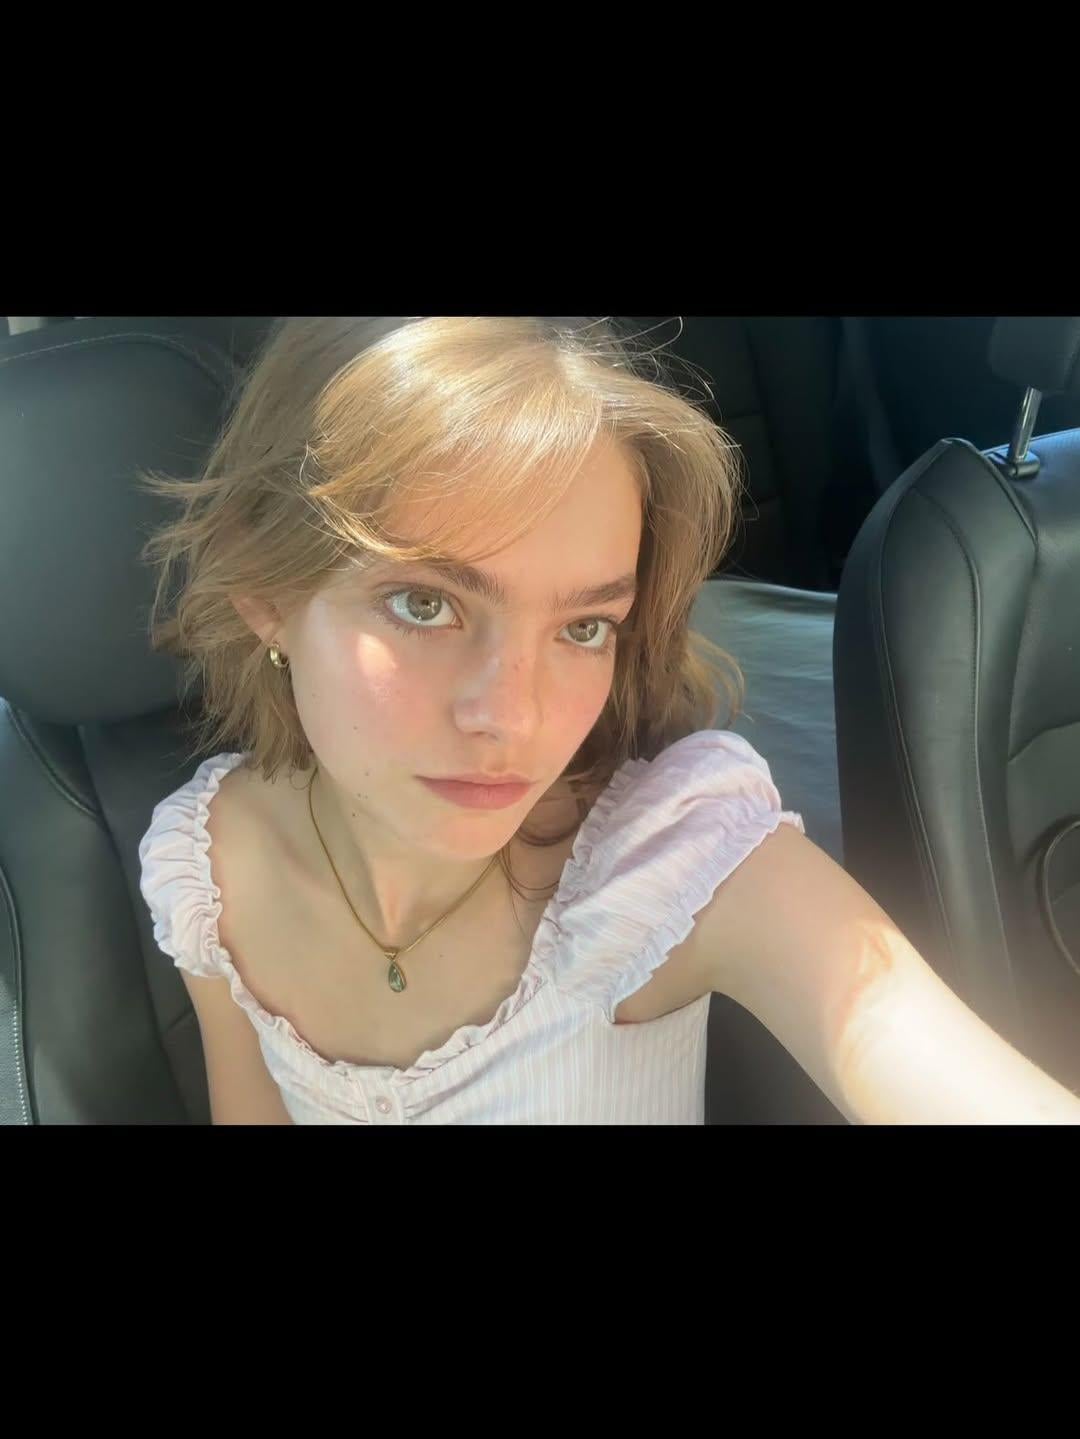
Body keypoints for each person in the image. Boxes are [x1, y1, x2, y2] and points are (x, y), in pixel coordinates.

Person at [136, 316, 1080, 1125]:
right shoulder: (208, 872)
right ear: (266, 594)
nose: (512, 716)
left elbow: (888, 1024)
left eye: (583, 627)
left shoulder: (674, 862)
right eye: (425, 604)